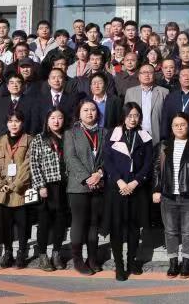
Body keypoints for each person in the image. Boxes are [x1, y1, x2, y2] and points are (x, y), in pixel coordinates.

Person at [153, 112, 189, 279]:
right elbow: (157, 169)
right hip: (168, 196)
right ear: (171, 127)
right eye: (176, 125)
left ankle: (186, 262)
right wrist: (156, 189)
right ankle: (173, 262)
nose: (179, 128)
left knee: (188, 231)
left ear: (188, 126)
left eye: (182, 124)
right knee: (170, 231)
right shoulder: (163, 145)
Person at [104, 103, 154, 281]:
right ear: (123, 117)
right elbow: (107, 161)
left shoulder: (145, 136)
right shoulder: (113, 134)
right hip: (117, 188)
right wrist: (119, 181)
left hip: (136, 188)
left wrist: (134, 183)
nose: (133, 119)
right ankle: (119, 265)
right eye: (129, 116)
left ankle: (131, 261)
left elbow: (148, 163)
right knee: (116, 228)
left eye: (136, 116)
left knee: (134, 228)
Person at [64, 100, 108, 275]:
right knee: (79, 222)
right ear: (79, 113)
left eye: (93, 110)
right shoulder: (71, 133)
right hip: (78, 185)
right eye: (85, 110)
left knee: (94, 223)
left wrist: (100, 173)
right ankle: (77, 260)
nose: (90, 113)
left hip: (99, 183)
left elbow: (108, 157)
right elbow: (70, 158)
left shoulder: (104, 132)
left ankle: (92, 258)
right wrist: (87, 177)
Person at [0, 109, 34, 269]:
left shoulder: (30, 141)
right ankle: (8, 252)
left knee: (23, 224)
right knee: (4, 224)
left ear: (22, 123)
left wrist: (15, 185)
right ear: (6, 123)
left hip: (21, 190)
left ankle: (21, 252)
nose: (14, 124)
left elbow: (29, 165)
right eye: (10, 121)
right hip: (2, 191)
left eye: (17, 121)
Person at [30, 109, 70, 272]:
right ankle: (42, 255)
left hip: (64, 185)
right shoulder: (39, 139)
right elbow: (34, 164)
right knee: (44, 222)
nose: (56, 121)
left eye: (60, 117)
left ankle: (56, 253)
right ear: (47, 120)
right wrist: (41, 185)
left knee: (61, 222)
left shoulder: (68, 137)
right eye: (53, 118)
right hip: (47, 186)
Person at [123, 64, 169, 144]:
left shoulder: (164, 92)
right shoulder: (130, 92)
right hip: (135, 135)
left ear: (154, 75)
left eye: (150, 72)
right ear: (139, 76)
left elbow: (167, 117)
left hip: (156, 136)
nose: (147, 75)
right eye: (143, 72)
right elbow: (126, 115)